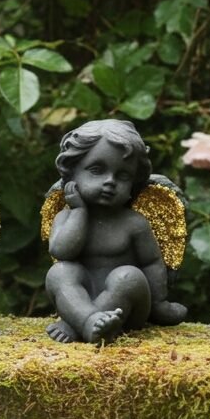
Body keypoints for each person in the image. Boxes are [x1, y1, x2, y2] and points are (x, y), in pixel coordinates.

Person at [45, 119, 186, 344]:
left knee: (129, 276)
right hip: (81, 298)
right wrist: (79, 211)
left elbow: (151, 263)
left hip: (126, 307)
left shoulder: (135, 223)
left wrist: (159, 305)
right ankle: (88, 321)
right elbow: (62, 251)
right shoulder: (66, 216)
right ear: (72, 175)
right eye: (96, 170)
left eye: (123, 176)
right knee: (60, 273)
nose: (110, 181)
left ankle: (82, 323)